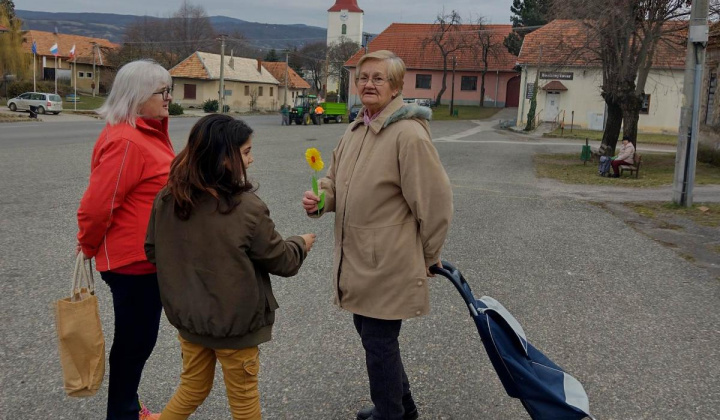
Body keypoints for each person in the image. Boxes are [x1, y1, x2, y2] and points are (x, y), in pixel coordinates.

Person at [301, 50, 453, 420]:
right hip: (358, 258)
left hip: (390, 259)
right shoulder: (356, 128)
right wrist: (321, 199)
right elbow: (335, 180)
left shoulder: (408, 135)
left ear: (397, 86)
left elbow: (434, 202)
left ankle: (391, 414)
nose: (368, 84)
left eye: (378, 78)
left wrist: (430, 255)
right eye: (363, 77)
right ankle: (404, 407)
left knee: (379, 342)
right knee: (371, 334)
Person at [145, 114, 316, 420]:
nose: (252, 160)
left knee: (192, 387)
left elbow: (152, 251)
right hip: (235, 326)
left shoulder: (168, 198)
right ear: (225, 158)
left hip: (190, 321)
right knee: (243, 400)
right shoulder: (246, 207)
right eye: (247, 152)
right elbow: (283, 261)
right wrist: (300, 243)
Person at [76, 59, 175, 420]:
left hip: (147, 259)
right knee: (135, 343)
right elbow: (97, 205)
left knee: (138, 341)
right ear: (136, 97)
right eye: (162, 92)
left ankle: (126, 407)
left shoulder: (145, 133)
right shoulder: (128, 141)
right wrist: (87, 245)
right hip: (133, 263)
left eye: (169, 90)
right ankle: (123, 412)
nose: (168, 98)